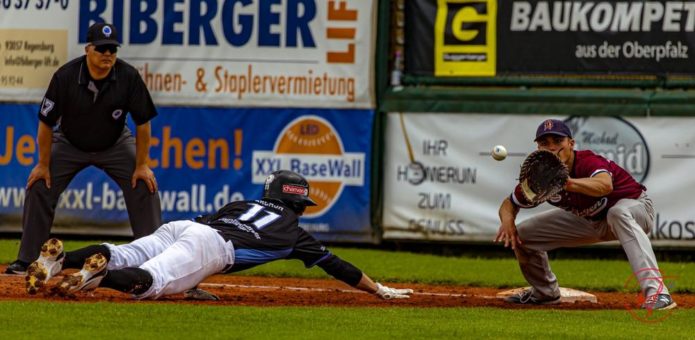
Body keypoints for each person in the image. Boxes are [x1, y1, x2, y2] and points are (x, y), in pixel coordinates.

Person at [24, 170, 413, 301]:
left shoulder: (243, 204)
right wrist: (376, 288)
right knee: (154, 282)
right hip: (212, 246)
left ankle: (62, 259)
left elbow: (194, 232)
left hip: (188, 226)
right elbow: (339, 267)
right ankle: (99, 276)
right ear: (296, 204)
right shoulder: (296, 234)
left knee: (123, 251)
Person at [5, 22, 162, 275]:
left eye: (112, 49)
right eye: (101, 49)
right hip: (69, 142)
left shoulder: (128, 76)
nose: (108, 54)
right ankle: (27, 260)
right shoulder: (66, 76)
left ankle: (156, 261)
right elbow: (46, 123)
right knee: (38, 184)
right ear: (88, 49)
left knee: (145, 183)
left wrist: (142, 165)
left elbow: (143, 123)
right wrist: (43, 164)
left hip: (115, 143)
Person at [494, 119, 676, 310]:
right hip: (589, 220)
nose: (552, 147)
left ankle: (658, 293)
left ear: (571, 144)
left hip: (636, 209)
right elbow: (509, 204)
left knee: (617, 213)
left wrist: (567, 183)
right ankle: (544, 293)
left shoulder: (587, 161)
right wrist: (508, 221)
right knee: (523, 235)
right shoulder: (540, 178)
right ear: (538, 147)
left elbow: (605, 185)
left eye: (557, 141)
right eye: (544, 143)